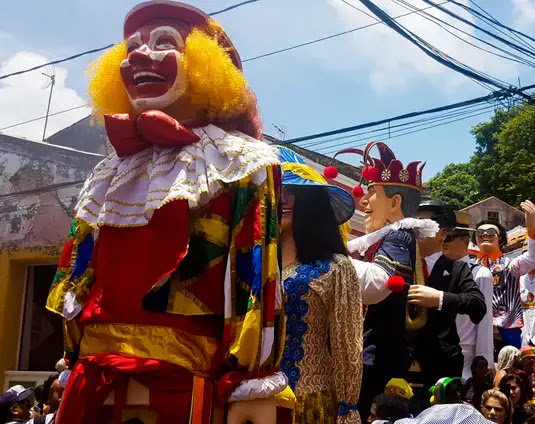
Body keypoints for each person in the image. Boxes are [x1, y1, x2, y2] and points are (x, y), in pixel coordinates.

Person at [45, 2, 286, 422]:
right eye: (132, 47)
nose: (137, 55)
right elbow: (77, 273)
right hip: (92, 379)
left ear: (207, 66)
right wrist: (69, 360)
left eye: (163, 43)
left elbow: (255, 273)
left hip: (186, 382)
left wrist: (252, 384)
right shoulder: (107, 172)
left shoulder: (243, 161)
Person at [334, 141, 434, 420]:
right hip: (375, 355)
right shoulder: (388, 239)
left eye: (371, 193)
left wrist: (326, 259)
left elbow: (380, 282)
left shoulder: (398, 236)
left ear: (395, 202)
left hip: (379, 360)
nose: (363, 202)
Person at [277, 148, 363, 423]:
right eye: (275, 189)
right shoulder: (252, 264)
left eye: (293, 191)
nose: (283, 198)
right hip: (252, 398)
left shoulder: (335, 267)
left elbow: (347, 345)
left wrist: (347, 406)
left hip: (309, 401)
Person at [410, 199, 486, 406]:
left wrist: (439, 298)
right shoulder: (401, 263)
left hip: (441, 362)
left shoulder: (457, 269)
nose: (415, 230)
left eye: (423, 224)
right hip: (403, 361)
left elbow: (478, 305)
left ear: (443, 233)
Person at [472, 201, 535, 349]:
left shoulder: (511, 265)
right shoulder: (468, 266)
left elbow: (534, 257)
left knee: (512, 367)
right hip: (475, 326)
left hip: (508, 327)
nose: (485, 235)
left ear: (501, 239)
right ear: (475, 240)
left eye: (491, 233)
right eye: (479, 233)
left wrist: (531, 226)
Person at [442, 214, 495, 380]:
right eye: (442, 236)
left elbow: (484, 320)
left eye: (449, 238)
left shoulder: (480, 273)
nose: (443, 242)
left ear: (465, 241)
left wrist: (484, 359)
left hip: (466, 352)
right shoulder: (436, 270)